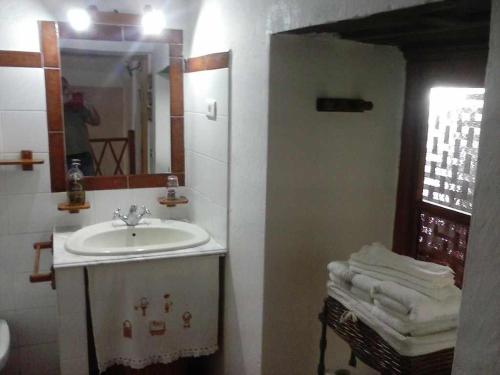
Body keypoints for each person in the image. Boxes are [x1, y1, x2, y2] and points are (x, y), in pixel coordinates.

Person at [62, 77, 101, 176]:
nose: (66, 91)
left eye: (66, 87)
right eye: (62, 88)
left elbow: (96, 121)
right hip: (66, 155)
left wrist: (90, 105)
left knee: (90, 184)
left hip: (85, 153)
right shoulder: (53, 107)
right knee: (73, 185)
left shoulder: (77, 106)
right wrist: (65, 102)